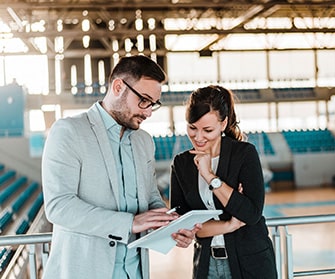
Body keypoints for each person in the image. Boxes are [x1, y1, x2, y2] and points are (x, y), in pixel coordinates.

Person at [42, 55, 200, 279]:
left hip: (134, 272)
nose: (147, 112)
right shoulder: (69, 131)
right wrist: (129, 223)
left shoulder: (144, 141)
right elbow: (59, 206)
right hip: (85, 271)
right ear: (118, 87)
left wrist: (168, 224)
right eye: (144, 100)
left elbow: (151, 197)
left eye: (153, 104)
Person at [170, 85, 277, 278]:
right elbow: (184, 223)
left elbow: (251, 214)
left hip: (250, 262)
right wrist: (230, 224)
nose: (198, 137)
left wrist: (210, 176)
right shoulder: (182, 163)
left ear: (223, 123)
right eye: (192, 128)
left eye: (207, 130)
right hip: (206, 263)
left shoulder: (244, 154)